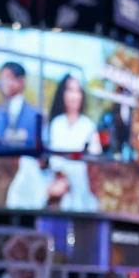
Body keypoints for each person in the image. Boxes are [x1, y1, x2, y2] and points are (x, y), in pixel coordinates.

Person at [46, 74, 101, 212]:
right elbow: (52, 160)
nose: (74, 96)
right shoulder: (56, 123)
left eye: (78, 91)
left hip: (81, 190)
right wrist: (60, 180)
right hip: (57, 187)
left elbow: (95, 163)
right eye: (70, 90)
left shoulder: (88, 126)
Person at [0, 62, 43, 144]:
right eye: (1, 78)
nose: (3, 82)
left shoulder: (34, 115)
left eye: (8, 77)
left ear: (21, 81)